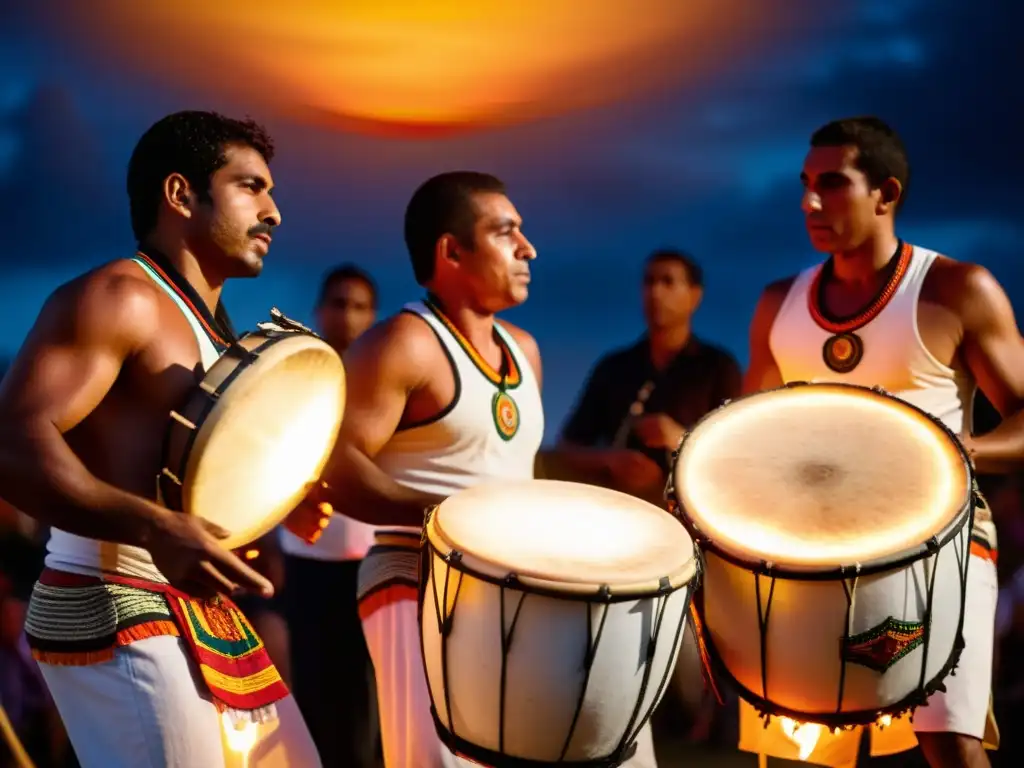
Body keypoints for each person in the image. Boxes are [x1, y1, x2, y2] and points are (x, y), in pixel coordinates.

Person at [0, 110, 322, 767]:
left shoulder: (219, 330)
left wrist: (282, 498)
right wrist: (152, 529)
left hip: (200, 611)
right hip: (112, 599)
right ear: (180, 194)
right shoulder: (122, 297)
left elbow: (189, 481)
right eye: (250, 187)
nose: (274, 212)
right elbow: (10, 439)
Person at [743, 116, 1024, 768]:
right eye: (806, 184)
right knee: (807, 752)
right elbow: (746, 441)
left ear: (886, 193)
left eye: (833, 184)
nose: (811, 201)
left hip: (940, 545)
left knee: (948, 743)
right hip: (812, 552)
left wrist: (955, 451)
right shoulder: (778, 303)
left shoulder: (956, 288)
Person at [310, 170, 548, 767]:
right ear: (451, 251)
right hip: (415, 578)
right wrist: (446, 520)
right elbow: (336, 466)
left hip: (512, 583)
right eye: (506, 232)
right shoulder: (403, 344)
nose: (528, 248)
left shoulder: (526, 348)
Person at [277, 264, 382, 767]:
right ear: (319, 310)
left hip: (370, 560)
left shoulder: (383, 386)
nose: (347, 315)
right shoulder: (296, 380)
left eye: (359, 306)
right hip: (308, 560)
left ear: (374, 316)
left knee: (367, 695)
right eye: (338, 303)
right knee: (314, 685)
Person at [554, 249, 741, 505]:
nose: (655, 293)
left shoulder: (719, 367)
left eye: (668, 282)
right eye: (649, 282)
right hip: (623, 514)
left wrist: (679, 439)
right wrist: (610, 460)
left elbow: (739, 456)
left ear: (694, 296)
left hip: (691, 517)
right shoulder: (614, 367)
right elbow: (567, 446)